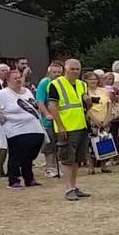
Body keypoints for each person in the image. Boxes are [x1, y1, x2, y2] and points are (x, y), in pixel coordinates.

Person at [0, 69, 44, 188]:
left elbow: (32, 104)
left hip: (33, 126)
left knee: (33, 149)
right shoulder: (3, 93)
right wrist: (0, 115)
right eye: (15, 78)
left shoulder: (26, 91)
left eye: (19, 77)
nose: (18, 80)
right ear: (8, 80)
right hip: (16, 127)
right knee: (17, 152)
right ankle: (14, 179)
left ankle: (29, 177)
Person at [46, 59, 95, 201]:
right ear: (65, 69)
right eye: (72, 69)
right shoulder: (55, 84)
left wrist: (89, 101)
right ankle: (68, 189)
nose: (75, 72)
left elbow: (87, 107)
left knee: (77, 160)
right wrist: (60, 125)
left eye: (77, 69)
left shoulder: (82, 85)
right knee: (67, 159)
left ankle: (74, 187)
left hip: (81, 126)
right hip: (66, 127)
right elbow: (52, 106)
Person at [36, 61, 63, 178]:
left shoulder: (61, 83)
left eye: (58, 72)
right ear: (49, 71)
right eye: (54, 72)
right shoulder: (44, 83)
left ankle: (57, 167)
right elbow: (40, 101)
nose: (56, 74)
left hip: (60, 118)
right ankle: (49, 167)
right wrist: (46, 114)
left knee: (59, 144)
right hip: (48, 120)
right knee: (50, 144)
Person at [84, 70, 114, 174]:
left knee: (104, 142)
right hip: (92, 121)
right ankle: (91, 167)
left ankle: (103, 166)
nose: (93, 81)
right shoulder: (84, 92)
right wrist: (95, 120)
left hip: (105, 120)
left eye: (95, 79)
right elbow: (86, 108)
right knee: (91, 144)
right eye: (91, 79)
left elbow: (109, 105)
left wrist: (106, 119)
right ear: (86, 80)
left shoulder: (104, 90)